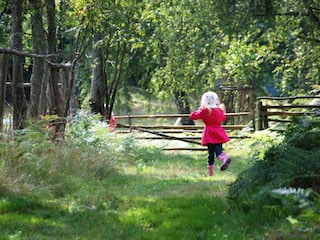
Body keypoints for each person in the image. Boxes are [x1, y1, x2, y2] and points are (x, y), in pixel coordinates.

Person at [190, 91, 231, 176]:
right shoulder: (219, 110)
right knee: (219, 151)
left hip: (209, 133)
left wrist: (200, 109)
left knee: (210, 153)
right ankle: (225, 158)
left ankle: (211, 173)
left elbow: (193, 116)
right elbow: (223, 118)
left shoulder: (205, 110)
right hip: (218, 132)